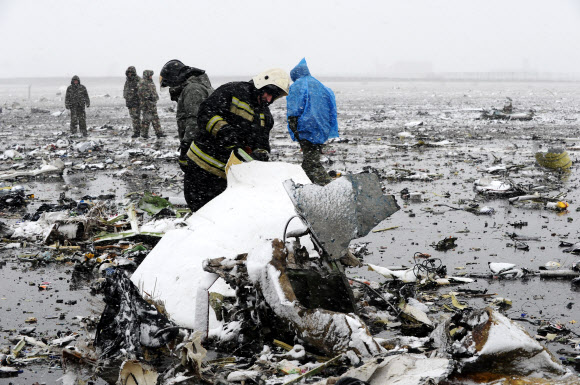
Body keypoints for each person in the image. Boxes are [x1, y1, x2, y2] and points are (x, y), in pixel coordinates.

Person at [182, 68, 290, 211]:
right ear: (261, 84)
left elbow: (262, 142)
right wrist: (224, 131)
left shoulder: (265, 117)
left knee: (217, 216)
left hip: (226, 176)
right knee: (199, 211)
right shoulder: (232, 91)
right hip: (200, 166)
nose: (269, 99)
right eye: (268, 93)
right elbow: (205, 113)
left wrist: (260, 154)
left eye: (274, 96)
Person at [287, 58, 339, 185]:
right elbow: (331, 108)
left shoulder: (298, 85)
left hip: (306, 128)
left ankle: (329, 188)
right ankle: (311, 186)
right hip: (321, 128)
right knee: (310, 161)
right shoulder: (321, 86)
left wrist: (295, 129)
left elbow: (294, 110)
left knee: (311, 164)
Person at [159, 59, 214, 166]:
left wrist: (186, 145)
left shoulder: (193, 89)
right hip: (205, 144)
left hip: (200, 146)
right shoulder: (196, 86)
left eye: (170, 84)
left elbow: (194, 119)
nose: (171, 87)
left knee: (197, 177)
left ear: (174, 78)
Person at [138, 70, 165, 139]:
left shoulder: (150, 82)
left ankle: (159, 133)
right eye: (150, 75)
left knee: (155, 119)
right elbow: (141, 93)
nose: (151, 76)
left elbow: (153, 91)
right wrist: (149, 97)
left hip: (152, 104)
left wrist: (155, 98)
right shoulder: (143, 82)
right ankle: (144, 134)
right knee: (146, 120)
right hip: (146, 105)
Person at [123, 66, 141, 138]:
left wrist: (137, 99)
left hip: (136, 102)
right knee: (133, 118)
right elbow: (125, 90)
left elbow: (141, 91)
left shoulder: (138, 80)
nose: (129, 74)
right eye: (128, 73)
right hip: (130, 102)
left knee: (136, 118)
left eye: (131, 72)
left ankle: (137, 132)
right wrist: (126, 97)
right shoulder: (127, 81)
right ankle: (137, 131)